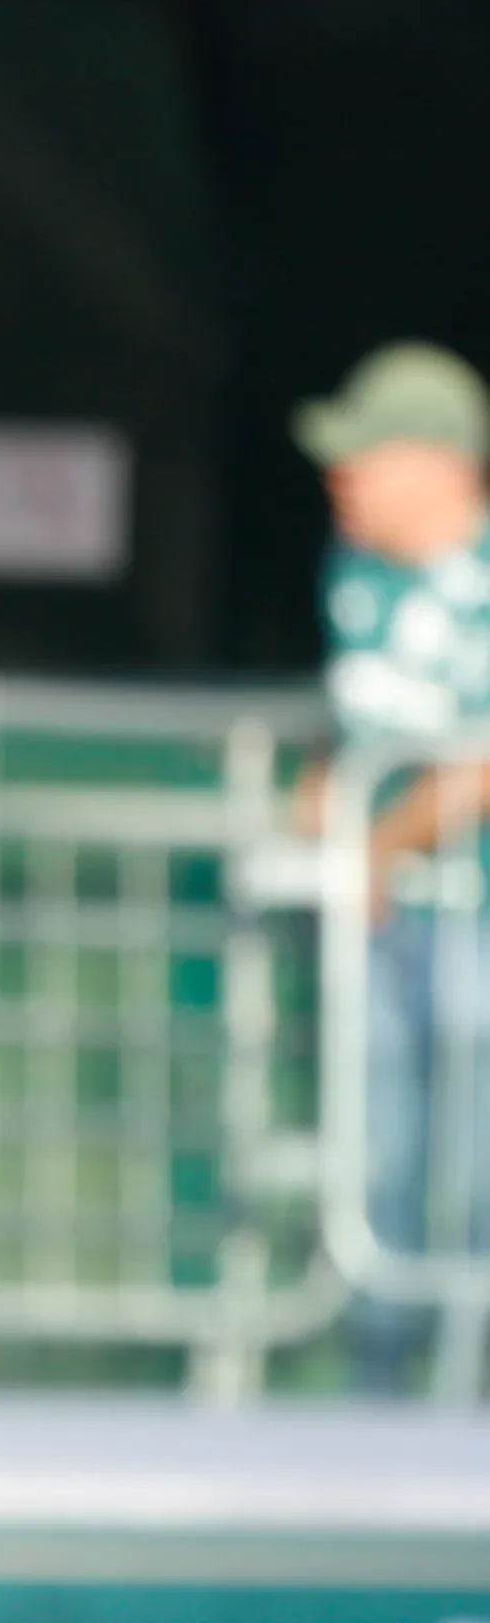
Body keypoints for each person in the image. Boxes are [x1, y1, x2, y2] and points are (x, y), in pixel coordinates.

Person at [300, 344, 490, 1388]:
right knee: (381, 1164)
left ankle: (466, 1403)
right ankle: (380, 1401)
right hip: (381, 927)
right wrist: (320, 800)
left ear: (434, 462)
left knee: (476, 1164)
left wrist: (372, 844)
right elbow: (360, 728)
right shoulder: (357, 575)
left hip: (475, 914)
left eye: (364, 455)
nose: (344, 477)